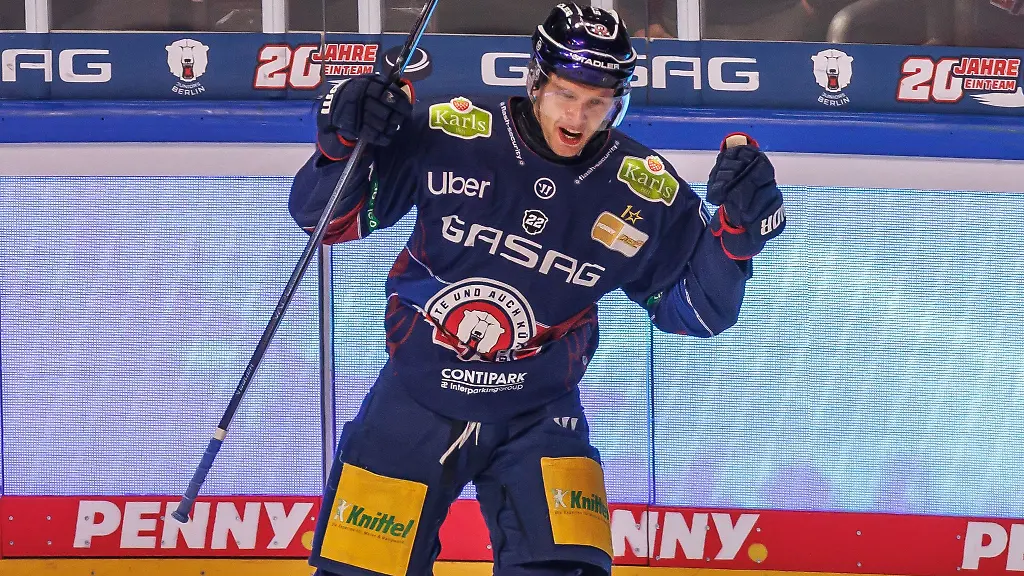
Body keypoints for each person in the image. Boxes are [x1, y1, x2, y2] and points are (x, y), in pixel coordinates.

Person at [289, 3, 786, 574]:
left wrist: (737, 239)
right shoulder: (452, 132)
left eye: (598, 102)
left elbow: (698, 312)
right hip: (416, 392)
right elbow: (325, 220)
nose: (578, 117)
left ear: (620, 101)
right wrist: (341, 142)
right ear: (535, 81)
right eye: (565, 95)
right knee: (358, 570)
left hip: (541, 411)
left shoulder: (644, 189)